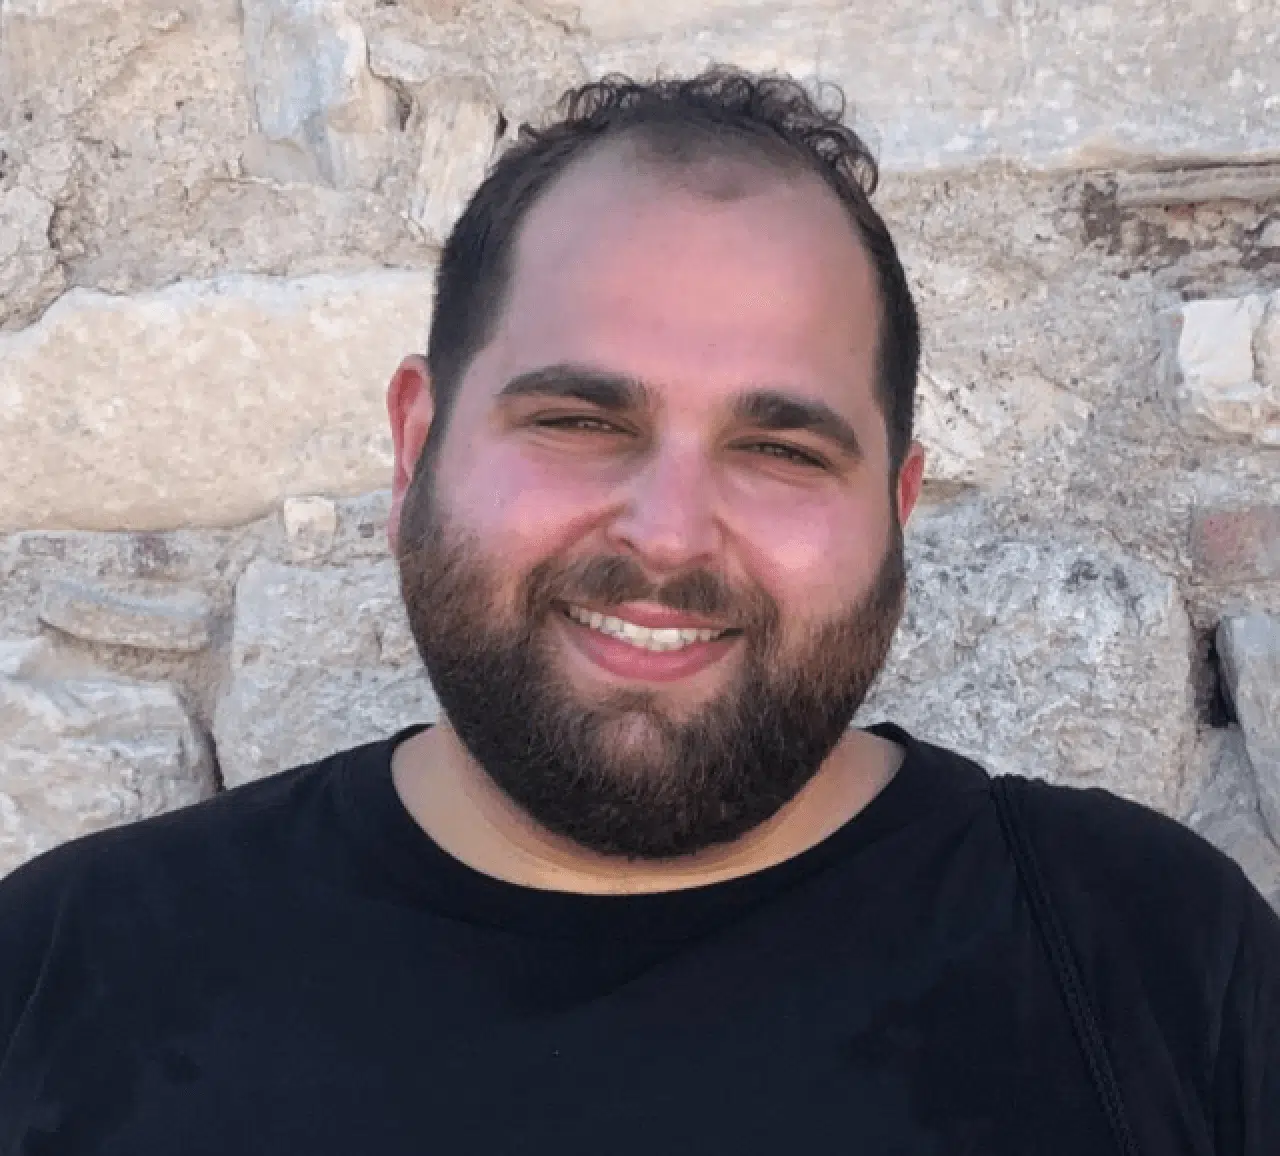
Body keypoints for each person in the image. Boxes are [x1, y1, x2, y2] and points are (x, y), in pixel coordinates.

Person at [0, 67, 1275, 1155]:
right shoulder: (65, 977)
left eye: (779, 449)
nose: (666, 534)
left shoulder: (1151, 961)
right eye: (576, 420)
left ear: (895, 504)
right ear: (415, 446)